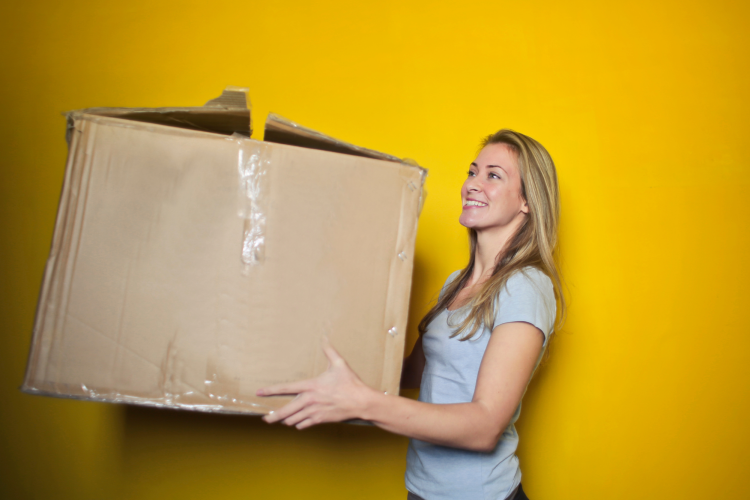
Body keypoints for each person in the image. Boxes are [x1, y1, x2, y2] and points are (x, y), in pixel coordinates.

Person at [257, 129, 565, 500]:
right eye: (472, 172)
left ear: (528, 201)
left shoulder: (525, 287)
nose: (472, 184)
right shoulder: (457, 282)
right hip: (422, 490)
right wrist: (312, 360)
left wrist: (364, 404)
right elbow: (415, 371)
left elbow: (485, 426)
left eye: (493, 175)